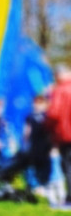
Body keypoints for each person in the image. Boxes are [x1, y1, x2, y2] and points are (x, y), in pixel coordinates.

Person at [45, 65, 71, 207]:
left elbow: (53, 113)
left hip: (66, 135)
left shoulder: (60, 90)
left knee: (68, 166)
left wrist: (47, 128)